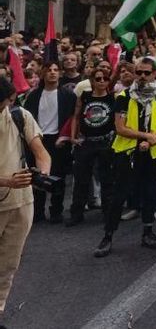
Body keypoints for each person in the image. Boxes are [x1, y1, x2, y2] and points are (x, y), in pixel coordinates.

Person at [96, 58, 156, 257]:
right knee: (119, 194)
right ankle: (108, 235)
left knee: (149, 192)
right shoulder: (124, 96)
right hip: (127, 152)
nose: (142, 77)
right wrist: (145, 136)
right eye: (139, 72)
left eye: (147, 73)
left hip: (152, 152)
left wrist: (154, 140)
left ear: (154, 74)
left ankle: (148, 231)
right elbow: (120, 128)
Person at [0, 77, 51, 325]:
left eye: (7, 103)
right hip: (6, 193)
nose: (5, 108)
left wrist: (41, 173)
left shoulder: (20, 116)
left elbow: (41, 152)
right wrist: (6, 181)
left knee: (8, 265)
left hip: (21, 204)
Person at [20, 62, 76, 223]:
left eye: (56, 70)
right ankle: (37, 211)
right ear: (43, 73)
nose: (52, 73)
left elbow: (72, 118)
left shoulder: (68, 95)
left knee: (58, 176)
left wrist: (66, 137)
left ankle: (56, 211)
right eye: (49, 70)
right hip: (38, 139)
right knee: (38, 176)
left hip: (58, 140)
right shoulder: (34, 95)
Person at [66, 66, 117, 226]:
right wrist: (73, 137)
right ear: (92, 81)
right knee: (81, 179)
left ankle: (108, 213)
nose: (102, 81)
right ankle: (77, 214)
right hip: (86, 142)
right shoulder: (85, 96)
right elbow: (75, 117)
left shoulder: (112, 98)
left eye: (105, 78)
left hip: (106, 142)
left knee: (107, 179)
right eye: (98, 78)